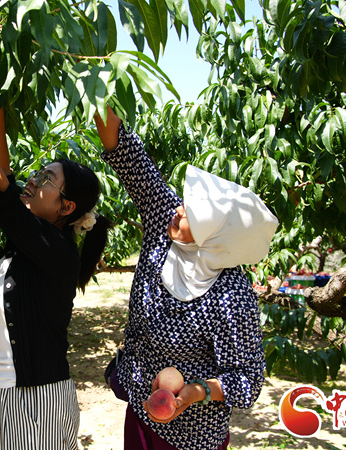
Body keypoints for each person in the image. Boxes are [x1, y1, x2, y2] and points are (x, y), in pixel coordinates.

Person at [94, 106, 278, 450]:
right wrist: (94, 73)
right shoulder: (166, 224)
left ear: (219, 235)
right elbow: (125, 151)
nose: (179, 209)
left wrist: (196, 392)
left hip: (192, 437)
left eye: (193, 212)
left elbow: (247, 381)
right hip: (141, 410)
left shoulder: (230, 295)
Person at [0, 76, 111, 450]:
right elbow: (2, 175)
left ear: (65, 207)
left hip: (33, 402)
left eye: (47, 179)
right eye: (39, 173)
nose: (34, 180)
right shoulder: (29, 240)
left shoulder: (55, 249)